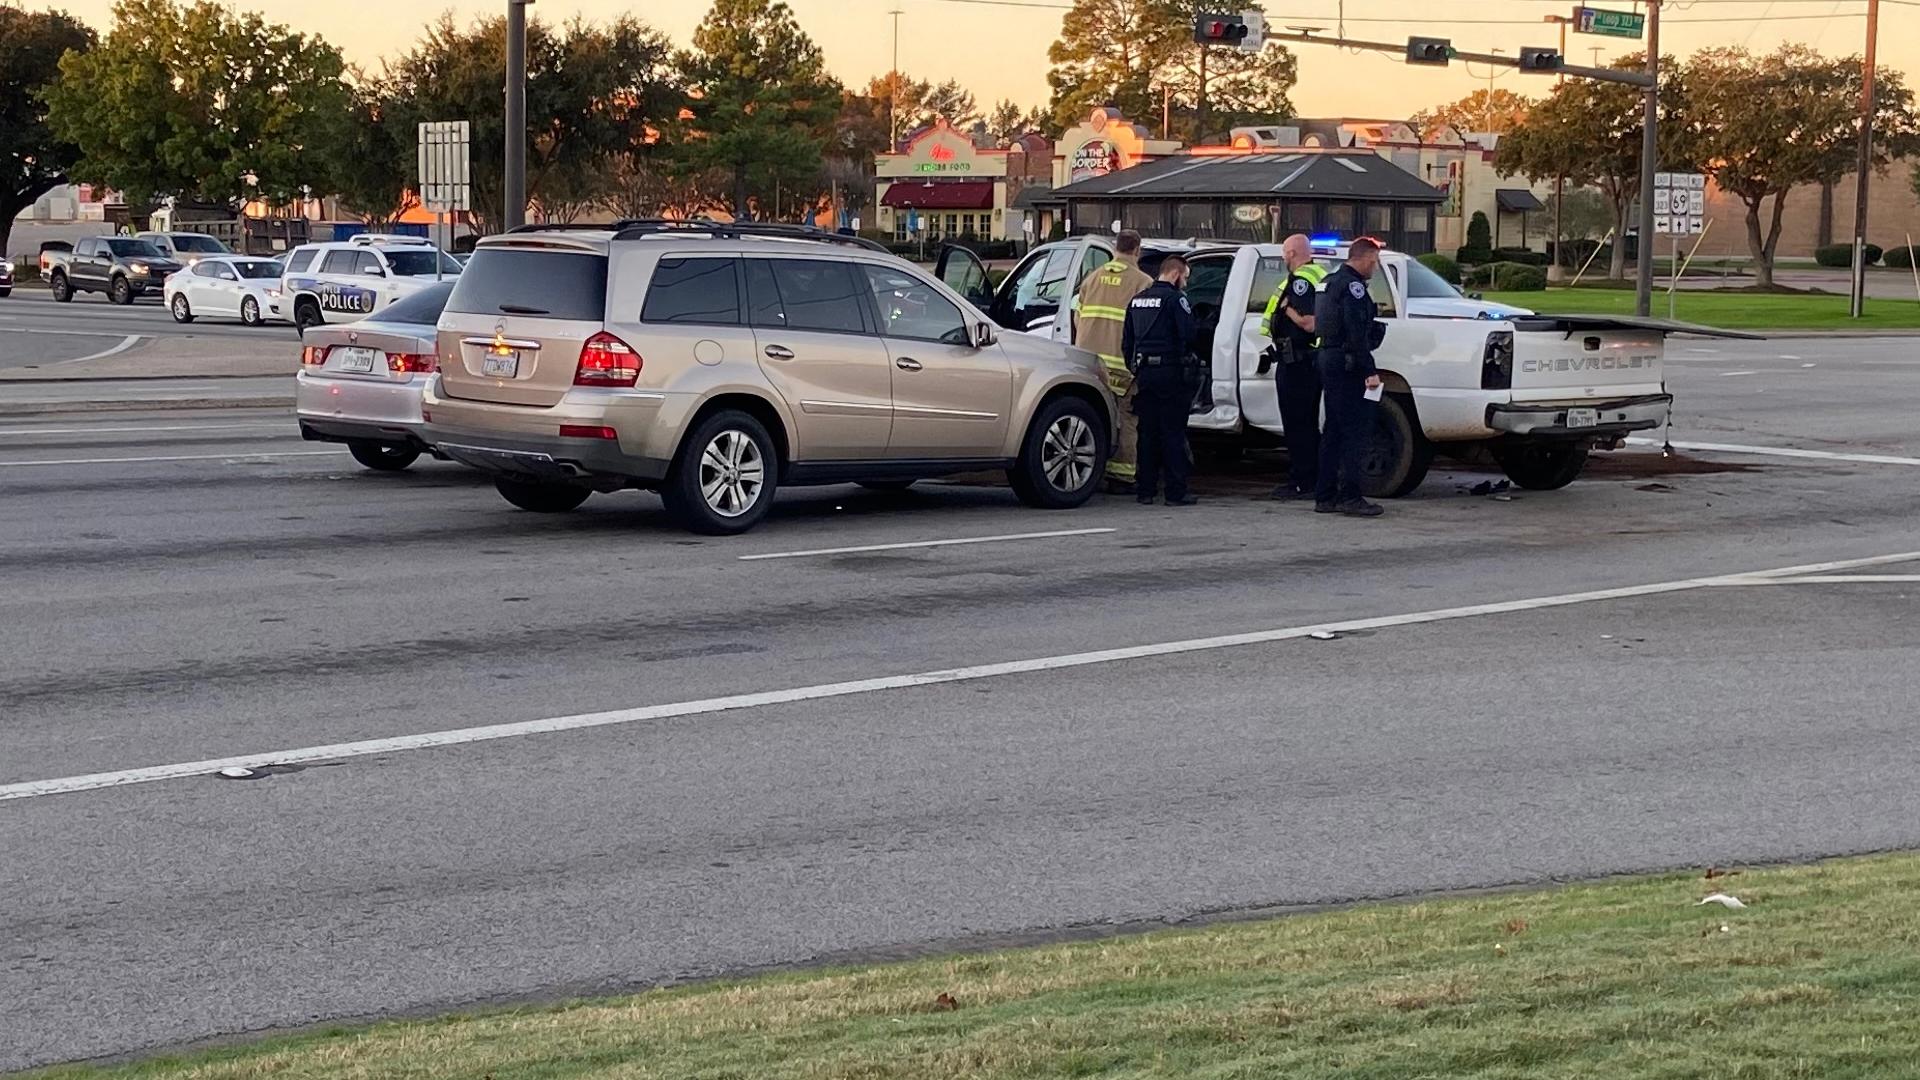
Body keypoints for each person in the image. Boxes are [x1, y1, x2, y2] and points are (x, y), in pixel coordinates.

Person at [1071, 231, 1153, 492]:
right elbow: (1146, 328)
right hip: (1122, 365)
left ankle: (1091, 471)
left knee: (1093, 418)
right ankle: (1122, 476)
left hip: (1089, 364)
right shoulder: (1143, 283)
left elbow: (1076, 318)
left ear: (1115, 248)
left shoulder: (1091, 278)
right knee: (1126, 420)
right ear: (1137, 250)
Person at [1313, 238, 1388, 517]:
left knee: (1332, 429)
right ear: (1366, 258)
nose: (1376, 267)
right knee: (1354, 431)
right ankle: (1351, 496)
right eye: (1375, 262)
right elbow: (1356, 331)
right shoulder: (1353, 287)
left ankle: (1325, 495)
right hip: (1348, 364)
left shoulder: (1328, 282)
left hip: (1328, 359)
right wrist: (1369, 370)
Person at [1121, 254, 1203, 507]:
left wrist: (1136, 368)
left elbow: (1127, 343)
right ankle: (1175, 492)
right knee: (1173, 433)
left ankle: (1145, 490)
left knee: (1147, 433)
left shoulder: (1137, 301)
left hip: (1145, 374)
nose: (1186, 284)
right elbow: (1189, 334)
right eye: (1186, 279)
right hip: (1171, 373)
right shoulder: (1176, 299)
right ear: (1176, 275)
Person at [1263, 234, 1328, 501]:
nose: (1282, 258)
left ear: (1292, 253)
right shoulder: (1320, 273)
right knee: (1308, 424)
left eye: (1284, 253)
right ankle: (1311, 478)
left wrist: (1286, 307)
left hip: (1297, 362)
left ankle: (1302, 481)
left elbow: (1309, 323)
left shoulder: (1300, 282)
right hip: (1309, 361)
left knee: (1297, 424)